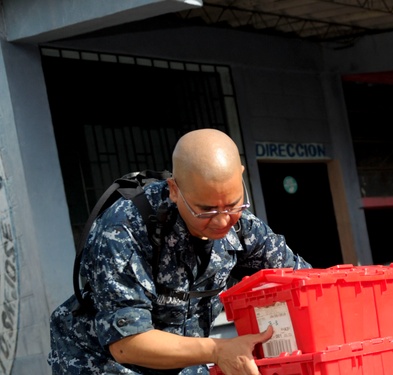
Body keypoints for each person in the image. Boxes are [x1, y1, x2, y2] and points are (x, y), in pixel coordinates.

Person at [48, 128, 312, 374]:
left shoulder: (242, 227)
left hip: (184, 361)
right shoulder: (123, 229)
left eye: (233, 205)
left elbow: (305, 282)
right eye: (205, 210)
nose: (222, 221)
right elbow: (126, 343)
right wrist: (218, 350)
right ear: (174, 190)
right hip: (101, 363)